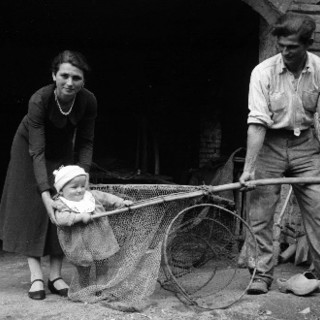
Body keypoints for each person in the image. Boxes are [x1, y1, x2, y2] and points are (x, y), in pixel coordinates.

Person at [0, 50, 97, 300]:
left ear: (83, 80)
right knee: (36, 207)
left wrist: (82, 179)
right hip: (29, 149)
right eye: (64, 75)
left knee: (67, 204)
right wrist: (44, 193)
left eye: (76, 77)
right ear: (54, 75)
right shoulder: (39, 100)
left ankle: (55, 276)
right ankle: (35, 277)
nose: (70, 82)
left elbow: (85, 142)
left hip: (62, 148)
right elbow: (38, 151)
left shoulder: (88, 101)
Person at [239, 13, 320, 294]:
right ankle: (261, 274)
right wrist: (249, 169)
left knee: (318, 210)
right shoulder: (263, 72)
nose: (285, 52)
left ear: (307, 45)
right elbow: (257, 122)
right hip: (270, 145)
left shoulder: (319, 69)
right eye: (281, 45)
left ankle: (319, 274)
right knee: (260, 214)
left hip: (307, 147)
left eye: (292, 47)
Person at [52, 165, 133, 285]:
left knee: (103, 264)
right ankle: (84, 288)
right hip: (79, 242)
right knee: (83, 268)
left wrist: (121, 202)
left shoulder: (91, 196)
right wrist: (78, 217)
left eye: (82, 186)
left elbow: (107, 198)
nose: (80, 190)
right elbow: (60, 218)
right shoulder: (61, 203)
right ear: (61, 190)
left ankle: (101, 286)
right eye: (74, 187)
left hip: (100, 237)